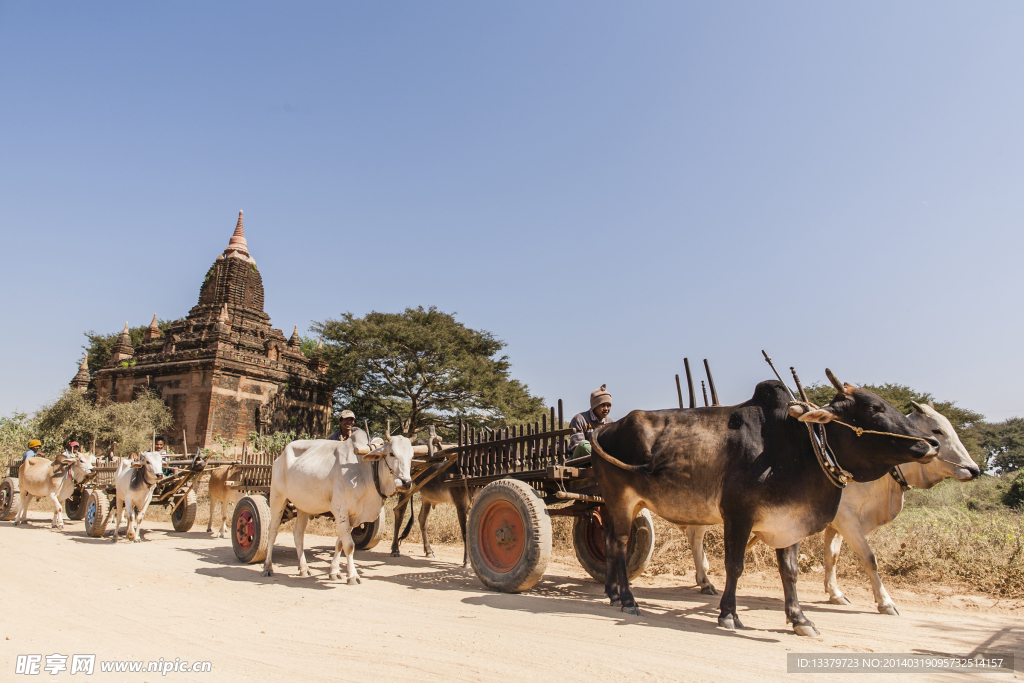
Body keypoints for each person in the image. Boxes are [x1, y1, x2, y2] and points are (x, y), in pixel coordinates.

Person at [568, 384, 613, 459]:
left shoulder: (610, 423)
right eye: (602, 405)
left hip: (604, 459)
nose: (606, 408)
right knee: (583, 445)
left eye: (608, 405)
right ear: (594, 405)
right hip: (581, 459)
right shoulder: (580, 419)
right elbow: (577, 447)